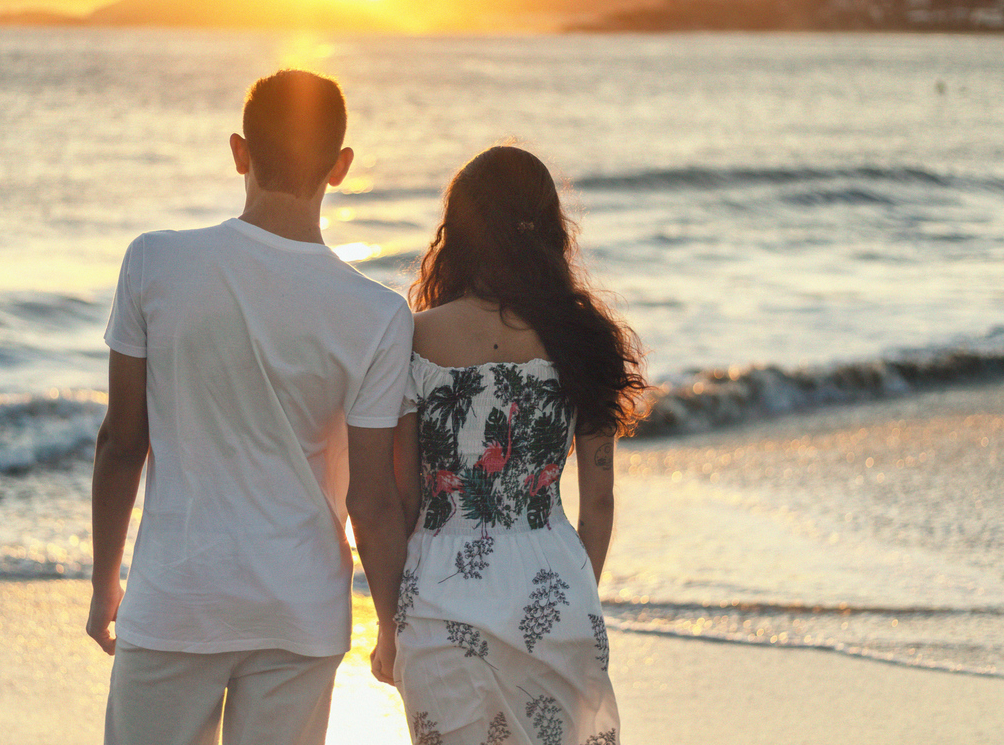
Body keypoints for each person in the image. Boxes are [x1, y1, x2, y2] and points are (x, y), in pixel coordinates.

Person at [86, 69, 412, 745]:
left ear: (240, 152)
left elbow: (121, 443)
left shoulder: (153, 264)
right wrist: (391, 626)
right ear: (342, 166)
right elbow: (373, 501)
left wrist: (103, 585)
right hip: (300, 609)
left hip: (178, 597)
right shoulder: (378, 315)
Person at [376, 146, 648, 744]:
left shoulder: (412, 337)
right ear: (551, 228)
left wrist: (387, 629)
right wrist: (571, 595)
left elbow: (402, 501)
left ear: (459, 233)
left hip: (441, 595)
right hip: (555, 586)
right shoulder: (585, 338)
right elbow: (597, 505)